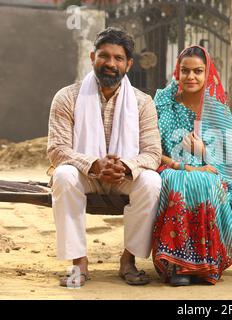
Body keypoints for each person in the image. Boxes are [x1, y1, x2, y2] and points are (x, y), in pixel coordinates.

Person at [47, 27, 162, 287]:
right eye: (104, 56)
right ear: (92, 57)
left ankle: (128, 260)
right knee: (63, 175)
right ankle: (79, 264)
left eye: (118, 58)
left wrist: (124, 166)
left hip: (123, 175)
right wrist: (94, 164)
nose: (110, 64)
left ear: (129, 64)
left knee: (152, 182)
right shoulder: (67, 97)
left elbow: (153, 153)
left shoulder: (142, 102)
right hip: (84, 174)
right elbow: (56, 149)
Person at [152, 45, 232, 286]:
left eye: (198, 71)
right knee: (179, 181)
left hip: (212, 172)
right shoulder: (163, 103)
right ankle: (177, 265)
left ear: (208, 74)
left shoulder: (218, 109)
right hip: (171, 168)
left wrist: (204, 152)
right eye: (185, 71)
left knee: (206, 182)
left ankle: (204, 265)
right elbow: (151, 150)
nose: (191, 77)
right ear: (177, 72)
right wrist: (181, 165)